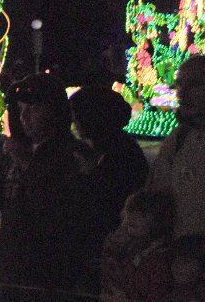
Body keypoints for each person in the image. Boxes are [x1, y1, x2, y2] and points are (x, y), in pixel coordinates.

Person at [0, 73, 93, 301]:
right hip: (11, 270)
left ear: (53, 111)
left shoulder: (73, 155)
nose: (24, 117)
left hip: (51, 276)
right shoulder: (12, 153)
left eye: (33, 109)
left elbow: (60, 211)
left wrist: (26, 162)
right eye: (19, 110)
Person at [69, 85, 150, 290]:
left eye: (77, 116)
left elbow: (101, 200)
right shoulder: (107, 149)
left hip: (114, 249)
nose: (74, 122)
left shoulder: (120, 156)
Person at [146, 55, 205, 238]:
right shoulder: (179, 138)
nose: (182, 92)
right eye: (179, 85)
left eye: (195, 84)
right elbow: (156, 196)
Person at [100, 189, 175, 301]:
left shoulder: (161, 259)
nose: (132, 217)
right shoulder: (130, 249)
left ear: (158, 220)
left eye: (142, 215)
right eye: (131, 211)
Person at [166, 234, 205, 301]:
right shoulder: (171, 289)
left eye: (185, 261)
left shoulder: (200, 293)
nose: (177, 265)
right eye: (174, 260)